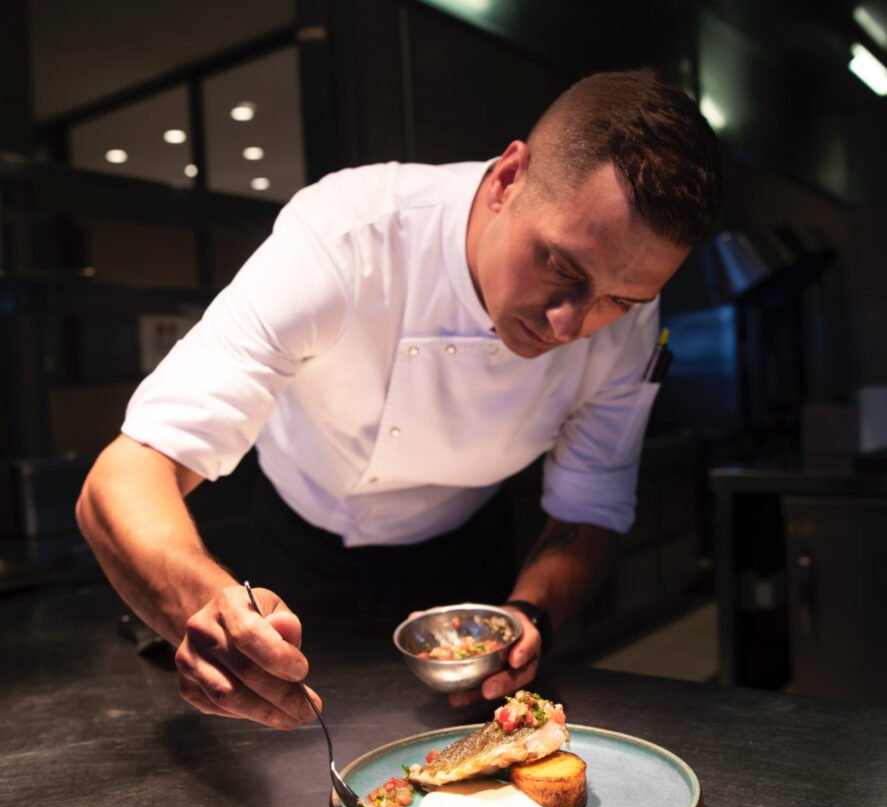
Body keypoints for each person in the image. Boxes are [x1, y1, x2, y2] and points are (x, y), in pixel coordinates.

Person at [76, 68, 723, 730]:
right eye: (561, 266)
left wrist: (531, 614)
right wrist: (206, 605)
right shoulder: (347, 237)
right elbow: (123, 477)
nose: (571, 323)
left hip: (469, 563)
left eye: (619, 299)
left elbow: (590, 504)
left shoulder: (633, 325)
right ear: (507, 179)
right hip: (296, 554)